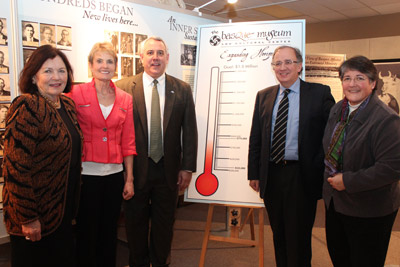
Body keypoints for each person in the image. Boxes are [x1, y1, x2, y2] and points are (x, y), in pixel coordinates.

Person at [248, 45, 335, 267]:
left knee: (299, 237)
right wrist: (254, 173)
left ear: (299, 66)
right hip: (272, 174)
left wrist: (320, 167)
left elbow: (333, 135)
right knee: (278, 233)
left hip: (301, 175)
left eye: (288, 62)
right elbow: (256, 138)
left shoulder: (319, 93)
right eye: (278, 63)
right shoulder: (264, 96)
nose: (283, 67)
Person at [115, 36, 198, 267]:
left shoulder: (181, 89)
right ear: (141, 57)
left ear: (167, 58)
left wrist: (187, 167)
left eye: (160, 53)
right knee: (134, 225)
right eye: (150, 53)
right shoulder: (122, 88)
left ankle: (160, 262)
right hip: (134, 170)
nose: (155, 58)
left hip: (168, 171)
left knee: (164, 226)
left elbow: (189, 131)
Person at [1, 45, 83, 267]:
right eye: (47, 71)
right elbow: (15, 169)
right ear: (34, 75)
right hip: (35, 216)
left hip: (61, 211)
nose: (56, 77)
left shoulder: (66, 104)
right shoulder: (27, 105)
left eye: (61, 70)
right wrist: (28, 218)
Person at [323, 56, 400, 267]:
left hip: (369, 209)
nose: (352, 84)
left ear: (373, 83)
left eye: (360, 77)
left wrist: (348, 181)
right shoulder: (337, 110)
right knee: (340, 258)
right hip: (336, 204)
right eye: (347, 78)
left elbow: (391, 169)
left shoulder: (386, 119)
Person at [66, 42, 136, 267]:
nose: (105, 66)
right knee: (87, 230)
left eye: (110, 61)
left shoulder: (125, 98)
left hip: (115, 175)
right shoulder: (75, 94)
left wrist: (130, 178)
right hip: (86, 174)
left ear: (115, 65)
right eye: (100, 61)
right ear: (91, 65)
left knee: (109, 231)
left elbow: (128, 141)